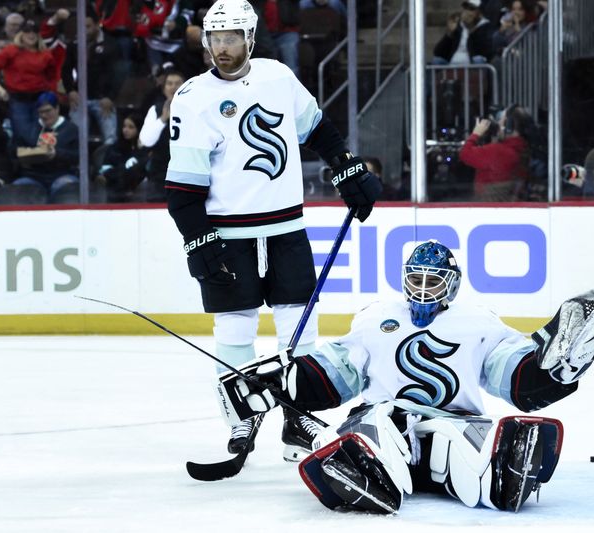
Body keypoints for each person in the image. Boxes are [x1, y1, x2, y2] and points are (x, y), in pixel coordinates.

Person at [215, 240, 594, 513]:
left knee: (466, 446)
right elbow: (338, 370)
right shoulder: (375, 319)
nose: (422, 290)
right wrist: (280, 383)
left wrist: (553, 372)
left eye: (432, 280)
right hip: (385, 417)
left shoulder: (478, 322)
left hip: (453, 421)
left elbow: (510, 372)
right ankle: (359, 468)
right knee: (375, 428)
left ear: (452, 285)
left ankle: (502, 473)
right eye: (416, 279)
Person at [164, 0, 381, 461]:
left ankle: (297, 416)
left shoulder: (278, 78)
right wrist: (198, 239)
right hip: (228, 233)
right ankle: (242, 416)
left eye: (232, 38)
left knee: (299, 323)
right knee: (236, 325)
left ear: (250, 38)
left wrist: (347, 169)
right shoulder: (192, 98)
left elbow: (318, 129)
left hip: (286, 224)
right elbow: (182, 190)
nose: (223, 48)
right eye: (216, 39)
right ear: (206, 41)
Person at [0, 19, 59, 148]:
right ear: (21, 34)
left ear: (38, 35)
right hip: (18, 99)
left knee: (40, 132)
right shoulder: (11, 51)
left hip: (40, 98)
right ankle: (21, 164)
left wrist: (51, 94)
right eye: (27, 32)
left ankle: (40, 163)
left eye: (34, 32)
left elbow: (52, 76)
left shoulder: (45, 54)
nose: (31, 35)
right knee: (22, 133)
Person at [62, 11, 121, 146]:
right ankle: (78, 164)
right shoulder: (74, 45)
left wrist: (110, 97)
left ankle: (106, 164)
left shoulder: (111, 45)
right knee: (75, 137)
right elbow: (66, 70)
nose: (84, 30)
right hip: (80, 98)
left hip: (103, 99)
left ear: (97, 25)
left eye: (88, 26)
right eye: (81, 27)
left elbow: (118, 74)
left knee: (111, 138)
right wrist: (70, 90)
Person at [8, 91, 79, 203]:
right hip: (33, 176)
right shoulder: (29, 129)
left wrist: (57, 154)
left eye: (48, 111)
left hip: (62, 174)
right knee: (17, 187)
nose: (44, 115)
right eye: (41, 112)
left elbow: (78, 156)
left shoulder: (71, 129)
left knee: (68, 187)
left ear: (57, 109)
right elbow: (14, 151)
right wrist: (24, 156)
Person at [459, 104, 528, 201]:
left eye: (501, 120)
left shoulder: (498, 151)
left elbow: (465, 154)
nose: (498, 123)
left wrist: (476, 134)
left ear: (508, 127)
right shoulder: (521, 148)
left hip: (488, 205)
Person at [140, 68, 185, 202]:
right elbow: (146, 141)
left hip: (187, 173)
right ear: (164, 88)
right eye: (169, 83)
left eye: (178, 83)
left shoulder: (196, 109)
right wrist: (162, 120)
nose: (173, 87)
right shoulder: (155, 109)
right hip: (160, 175)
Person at [97, 112, 148, 202]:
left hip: (140, 194)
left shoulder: (145, 149)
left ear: (139, 129)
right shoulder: (115, 148)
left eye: (131, 127)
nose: (126, 130)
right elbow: (107, 171)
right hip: (116, 192)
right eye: (124, 126)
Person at [432, 1, 494, 65]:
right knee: (437, 60)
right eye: (465, 7)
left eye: (471, 9)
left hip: (472, 64)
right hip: (453, 63)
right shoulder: (458, 25)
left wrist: (471, 30)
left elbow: (485, 52)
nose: (467, 11)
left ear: (479, 12)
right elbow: (437, 52)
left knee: (478, 60)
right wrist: (449, 34)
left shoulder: (486, 27)